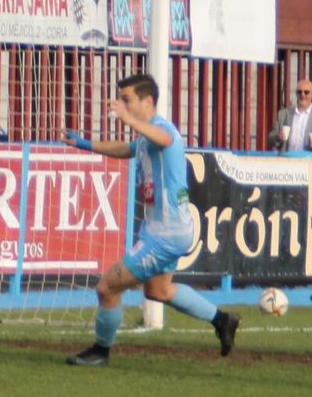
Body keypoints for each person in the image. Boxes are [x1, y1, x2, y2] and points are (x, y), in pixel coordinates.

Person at [63, 74, 239, 366]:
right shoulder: (146, 137)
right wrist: (85, 144)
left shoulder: (162, 129)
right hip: (168, 229)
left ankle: (100, 351)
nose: (121, 105)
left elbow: (165, 139)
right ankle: (222, 320)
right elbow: (127, 149)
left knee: (107, 287)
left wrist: (127, 119)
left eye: (127, 100)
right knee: (158, 290)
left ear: (147, 101)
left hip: (165, 234)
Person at [271, 80, 312, 154]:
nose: (302, 95)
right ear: (296, 94)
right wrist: (278, 137)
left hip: (310, 159)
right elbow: (270, 138)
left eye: (306, 92)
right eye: (299, 92)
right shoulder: (283, 114)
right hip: (287, 159)